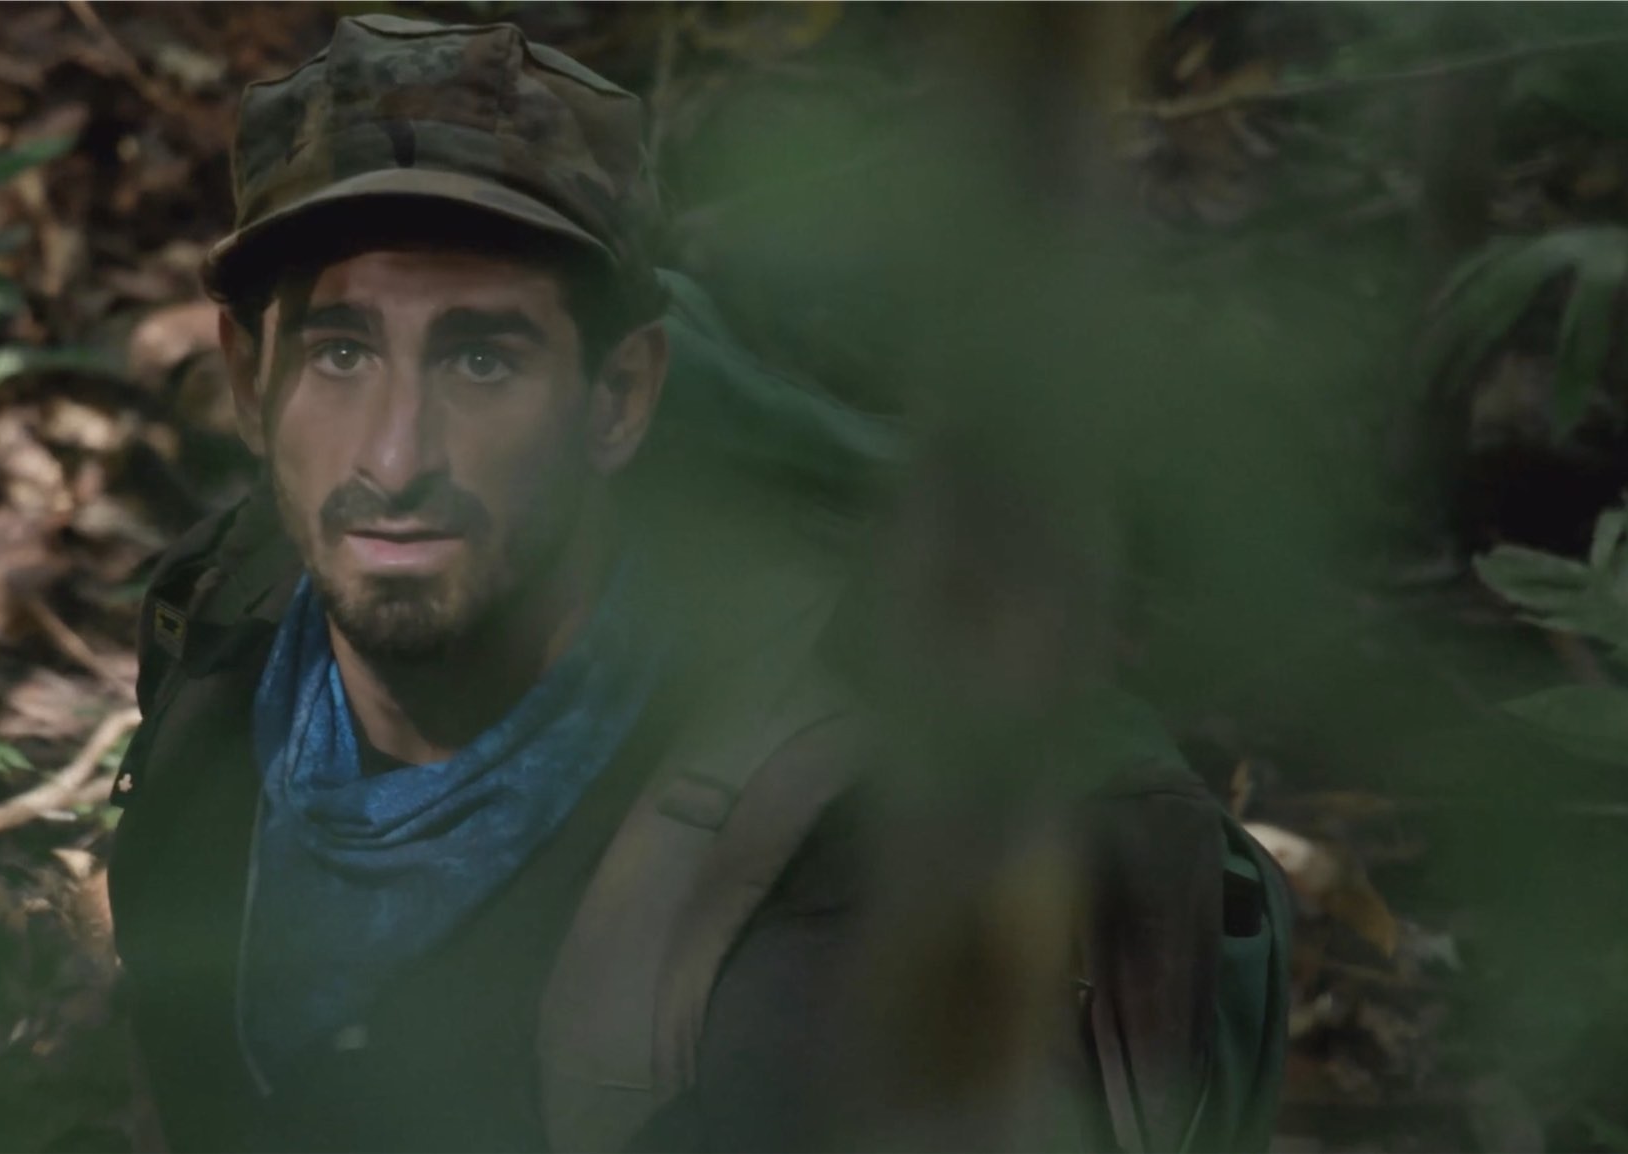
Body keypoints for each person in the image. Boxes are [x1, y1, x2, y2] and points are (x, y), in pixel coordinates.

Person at [104, 15, 1290, 1153]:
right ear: (245, 378)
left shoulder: (825, 869)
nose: (396, 456)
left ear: (619, 399)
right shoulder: (224, 635)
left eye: (481, 358)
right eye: (342, 352)